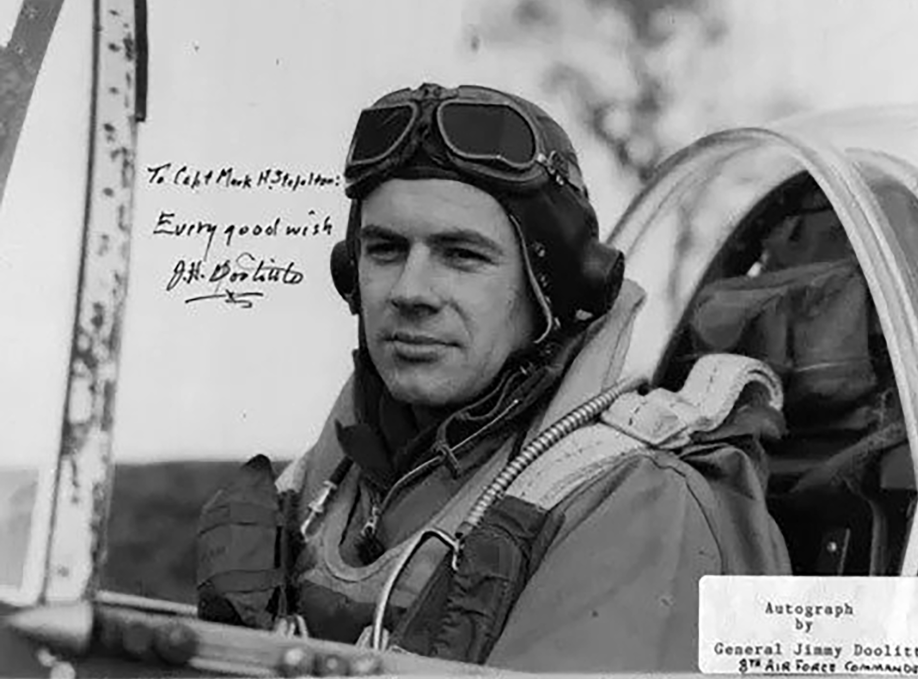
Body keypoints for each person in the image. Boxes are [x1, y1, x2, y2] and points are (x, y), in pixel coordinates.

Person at [264, 82, 791, 672]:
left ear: (553, 291)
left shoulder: (634, 504)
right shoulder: (329, 476)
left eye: (461, 255)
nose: (410, 292)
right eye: (385, 250)